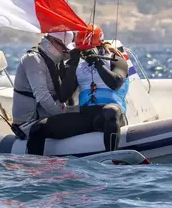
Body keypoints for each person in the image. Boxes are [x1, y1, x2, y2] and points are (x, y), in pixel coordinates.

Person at [26, 24, 130, 155]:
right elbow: (64, 96)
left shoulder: (116, 60)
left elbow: (115, 83)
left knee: (110, 111)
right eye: (82, 50)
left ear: (99, 45)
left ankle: (112, 156)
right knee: (38, 128)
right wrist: (74, 64)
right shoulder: (78, 66)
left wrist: (98, 63)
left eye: (88, 49)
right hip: (87, 116)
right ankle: (35, 166)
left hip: (111, 116)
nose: (85, 53)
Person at [11, 31, 80, 127]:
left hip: (48, 113)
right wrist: (62, 115)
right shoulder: (33, 60)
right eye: (63, 48)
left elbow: (71, 55)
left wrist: (81, 51)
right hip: (29, 122)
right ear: (52, 40)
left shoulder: (52, 56)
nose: (64, 52)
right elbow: (42, 96)